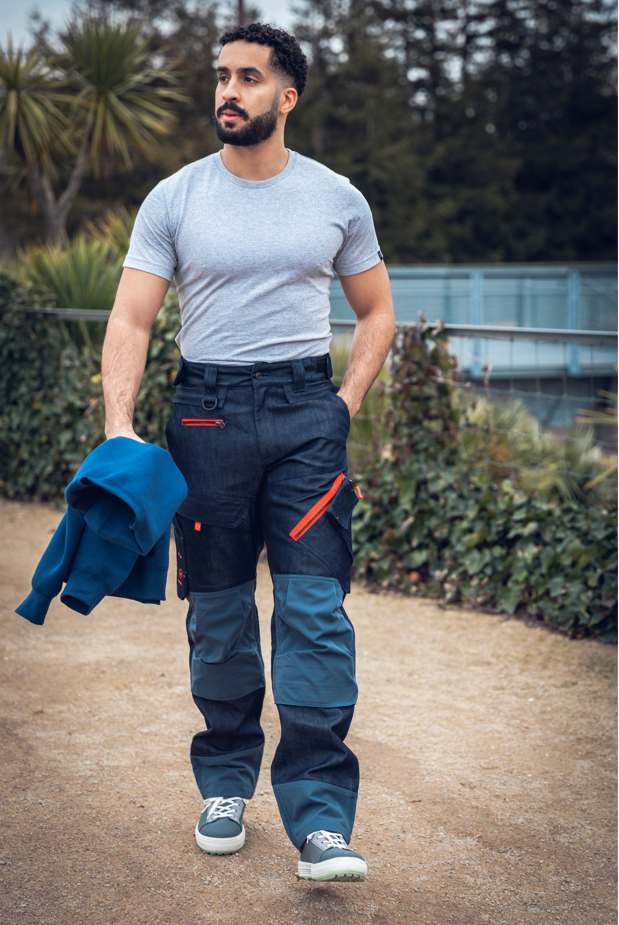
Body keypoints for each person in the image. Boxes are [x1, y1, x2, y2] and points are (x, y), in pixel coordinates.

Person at [101, 22, 395, 883]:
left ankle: (321, 819)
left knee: (314, 610)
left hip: (306, 415)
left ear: (287, 96)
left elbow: (376, 310)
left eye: (248, 78)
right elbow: (132, 317)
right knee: (220, 614)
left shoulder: (336, 197)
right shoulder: (175, 198)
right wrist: (119, 426)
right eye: (222, 76)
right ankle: (226, 782)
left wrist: (341, 406)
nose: (228, 91)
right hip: (206, 419)